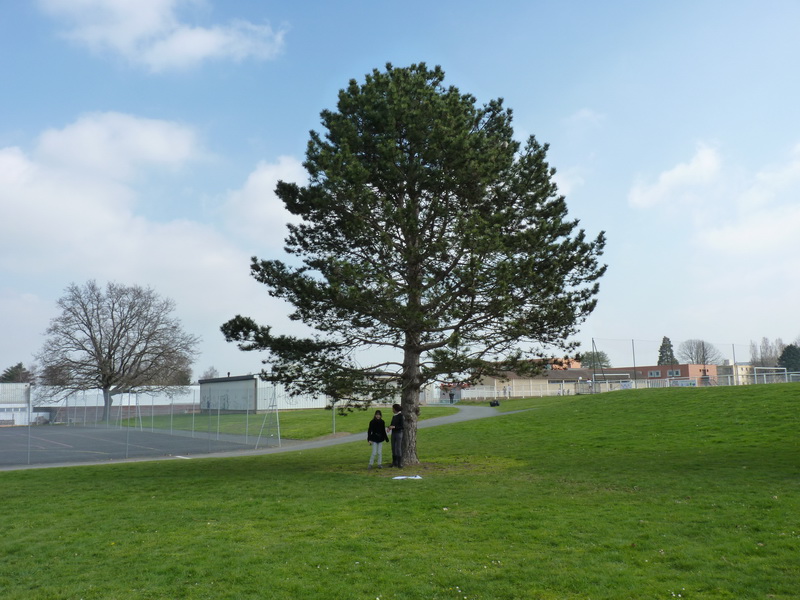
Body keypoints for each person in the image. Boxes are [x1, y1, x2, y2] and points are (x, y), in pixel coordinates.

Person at [388, 403, 404, 468]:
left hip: (399, 433)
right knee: (393, 447)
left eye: (393, 409)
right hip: (393, 433)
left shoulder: (401, 416)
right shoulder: (394, 416)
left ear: (395, 409)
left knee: (398, 448)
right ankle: (394, 462)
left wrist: (394, 427)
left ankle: (399, 463)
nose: (392, 410)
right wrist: (389, 428)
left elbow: (402, 426)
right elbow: (392, 424)